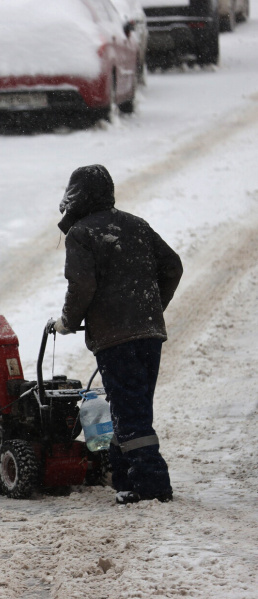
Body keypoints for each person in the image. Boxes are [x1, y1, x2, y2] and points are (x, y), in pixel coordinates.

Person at [53, 164, 183, 505]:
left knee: (129, 408)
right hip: (149, 334)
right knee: (134, 405)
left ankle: (152, 484)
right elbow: (172, 266)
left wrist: (68, 321)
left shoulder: (81, 233)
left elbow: (81, 285)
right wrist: (151, 308)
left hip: (115, 337)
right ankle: (122, 475)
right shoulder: (136, 224)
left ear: (76, 195)